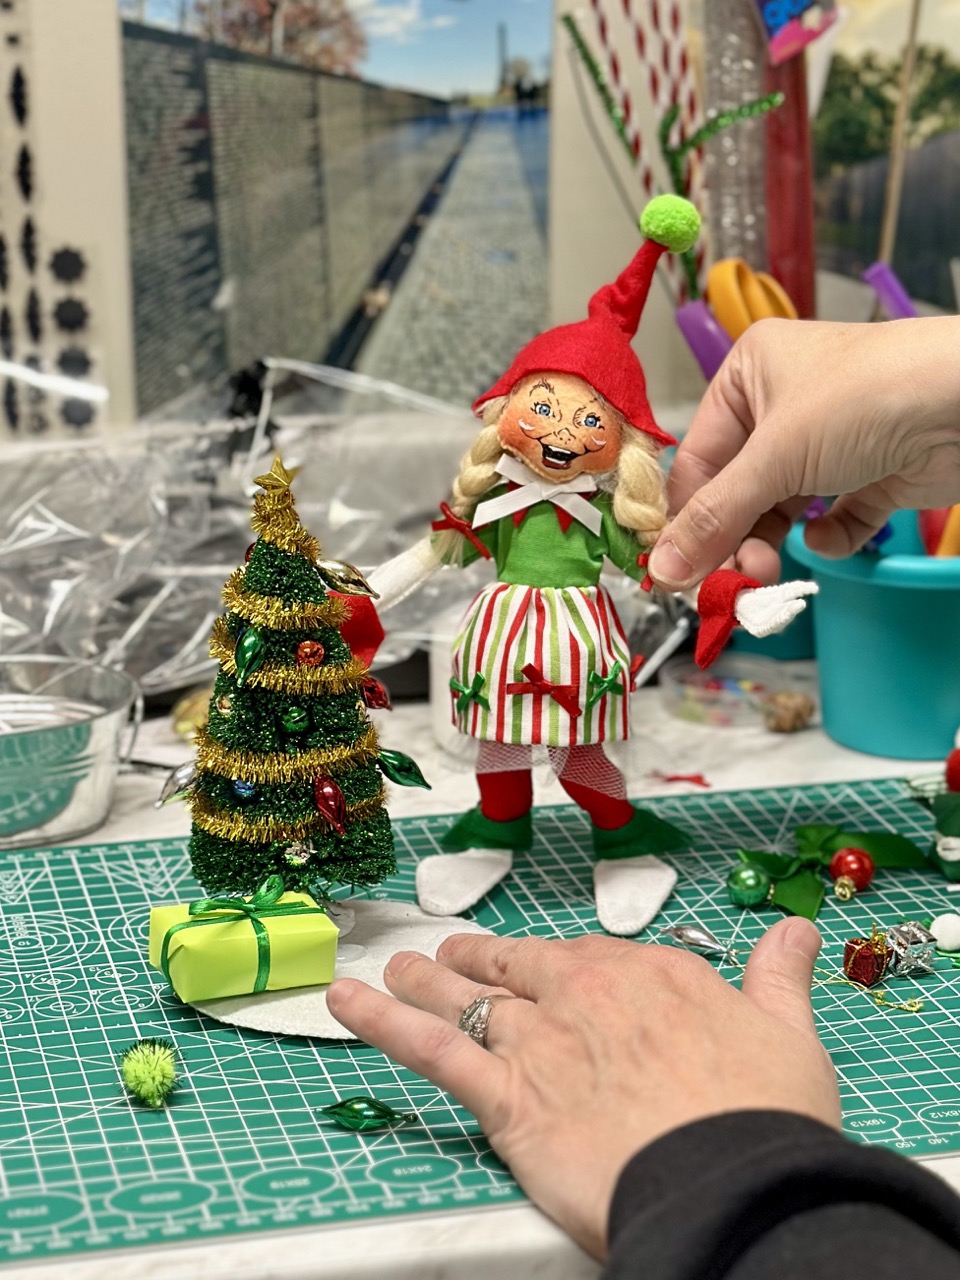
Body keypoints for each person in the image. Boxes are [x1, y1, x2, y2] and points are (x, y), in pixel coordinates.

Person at [330, 315, 960, 1276]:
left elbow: (678, 572)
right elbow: (432, 555)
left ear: (618, 442)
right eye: (542, 406)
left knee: (585, 764)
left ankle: (623, 842)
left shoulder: (608, 524)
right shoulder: (494, 508)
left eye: (586, 418)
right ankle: (494, 830)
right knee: (499, 753)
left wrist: (739, 598)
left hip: (576, 655)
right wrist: (372, 587)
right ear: (503, 413)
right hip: (502, 651)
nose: (559, 431)